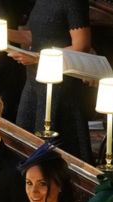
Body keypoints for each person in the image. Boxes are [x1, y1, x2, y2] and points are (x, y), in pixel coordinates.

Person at [9, 0, 93, 162]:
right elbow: (33, 36)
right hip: (34, 81)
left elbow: (82, 45)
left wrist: (38, 58)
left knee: (51, 156)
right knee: (24, 145)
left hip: (58, 87)